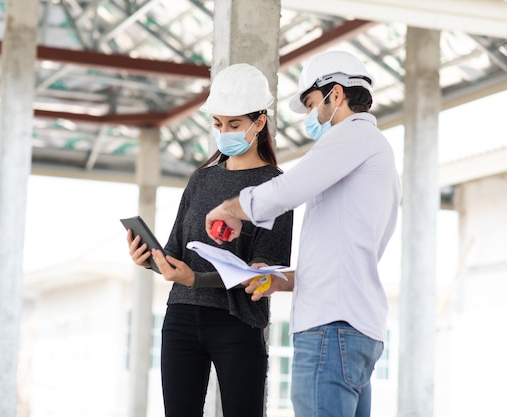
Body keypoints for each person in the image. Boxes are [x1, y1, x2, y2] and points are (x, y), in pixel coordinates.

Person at [204, 51, 402, 417]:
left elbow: (290, 188)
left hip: (331, 329)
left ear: (337, 95)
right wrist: (281, 279)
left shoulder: (351, 136)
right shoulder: (378, 156)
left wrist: (231, 208)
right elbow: (347, 255)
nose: (311, 116)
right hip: (358, 331)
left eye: (312, 104)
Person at [126, 63, 293, 417]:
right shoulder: (200, 181)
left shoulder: (277, 187)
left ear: (259, 123)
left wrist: (195, 279)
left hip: (238, 323)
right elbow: (174, 253)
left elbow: (262, 275)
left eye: (234, 125)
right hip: (181, 318)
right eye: (218, 124)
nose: (223, 132)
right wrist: (147, 258)